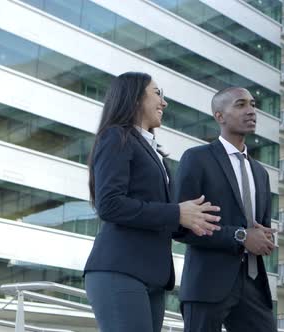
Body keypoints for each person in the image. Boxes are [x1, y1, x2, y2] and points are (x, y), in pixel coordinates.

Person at [84, 72, 221, 332]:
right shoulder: (116, 136)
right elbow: (110, 204)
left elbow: (164, 216)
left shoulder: (155, 152)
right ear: (135, 98)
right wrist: (176, 213)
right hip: (120, 270)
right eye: (157, 93)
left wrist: (195, 219)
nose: (164, 103)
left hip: (153, 277)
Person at [174, 87, 278, 332]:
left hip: (253, 284)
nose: (251, 111)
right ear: (219, 116)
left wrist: (264, 238)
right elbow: (180, 227)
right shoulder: (196, 159)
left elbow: (257, 228)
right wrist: (241, 236)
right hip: (207, 283)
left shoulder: (261, 173)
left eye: (253, 104)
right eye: (241, 105)